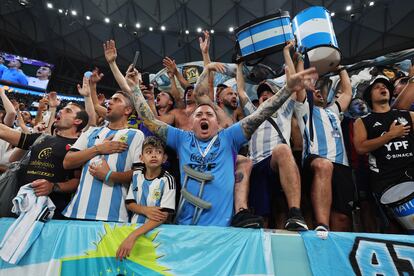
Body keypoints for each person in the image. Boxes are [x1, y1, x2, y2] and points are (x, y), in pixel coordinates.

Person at [125, 61, 317, 226]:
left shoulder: (229, 137)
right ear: (191, 124)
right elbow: (149, 119)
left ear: (218, 123)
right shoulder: (181, 138)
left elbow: (262, 112)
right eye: (198, 114)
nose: (204, 116)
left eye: (209, 114)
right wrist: (134, 88)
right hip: (186, 228)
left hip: (222, 230)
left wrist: (287, 89)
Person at [236, 41, 308, 231]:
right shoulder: (252, 113)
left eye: (269, 93)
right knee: (263, 219)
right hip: (257, 166)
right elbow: (241, 92)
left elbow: (292, 83)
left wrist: (286, 52)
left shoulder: (284, 109)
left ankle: (295, 212)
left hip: (277, 163)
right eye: (261, 94)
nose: (265, 96)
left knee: (283, 149)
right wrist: (239, 65)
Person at [0, 95, 89, 218]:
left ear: (78, 121)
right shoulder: (41, 138)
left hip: (52, 211)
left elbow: (77, 181)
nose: (61, 111)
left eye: (68, 111)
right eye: (62, 109)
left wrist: (53, 186)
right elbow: (4, 131)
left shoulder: (79, 146)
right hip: (20, 206)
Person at [62, 91, 145, 222]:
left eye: (116, 100)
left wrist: (109, 175)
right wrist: (98, 149)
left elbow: (140, 174)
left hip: (113, 216)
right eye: (110, 99)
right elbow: (68, 162)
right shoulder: (91, 131)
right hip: (77, 212)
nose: (109, 102)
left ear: (128, 110)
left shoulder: (135, 135)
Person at [294, 60, 354, 232]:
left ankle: (336, 247)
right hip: (315, 160)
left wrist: (340, 67)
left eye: (320, 91)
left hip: (341, 165)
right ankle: (322, 226)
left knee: (342, 218)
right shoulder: (304, 109)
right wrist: (300, 60)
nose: (318, 92)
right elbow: (299, 86)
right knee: (323, 165)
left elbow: (347, 92)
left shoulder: (333, 111)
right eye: (314, 91)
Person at [354, 77, 414, 230]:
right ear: (369, 97)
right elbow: (360, 147)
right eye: (377, 87)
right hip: (386, 182)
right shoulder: (363, 121)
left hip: (411, 175)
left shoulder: (409, 115)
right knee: (397, 230)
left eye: (385, 86)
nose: (383, 88)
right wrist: (391, 135)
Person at [116, 136, 175, 260]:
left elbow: (163, 216)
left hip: (155, 235)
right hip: (133, 229)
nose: (154, 155)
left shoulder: (168, 180)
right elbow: (130, 203)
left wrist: (133, 236)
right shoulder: (136, 175)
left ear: (164, 158)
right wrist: (145, 210)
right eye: (149, 152)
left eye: (158, 152)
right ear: (141, 158)